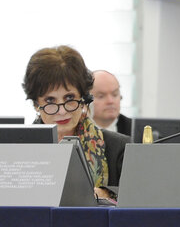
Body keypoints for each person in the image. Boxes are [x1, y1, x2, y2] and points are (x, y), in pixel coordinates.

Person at [22, 45, 130, 199]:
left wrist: (108, 193)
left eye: (70, 98)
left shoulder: (120, 148)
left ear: (84, 98)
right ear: (36, 105)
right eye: (50, 100)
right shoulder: (17, 149)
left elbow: (138, 198)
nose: (62, 111)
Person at [91, 70, 131, 136]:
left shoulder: (137, 131)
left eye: (115, 94)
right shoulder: (74, 130)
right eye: (101, 96)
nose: (110, 101)